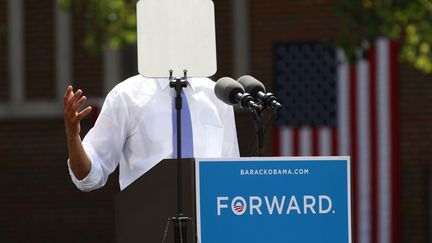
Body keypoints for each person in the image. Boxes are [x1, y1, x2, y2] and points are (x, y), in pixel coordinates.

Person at [64, 75, 240, 191]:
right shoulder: (126, 96)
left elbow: (232, 177)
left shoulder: (218, 95)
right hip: (149, 222)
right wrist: (73, 137)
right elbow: (88, 177)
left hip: (210, 224)